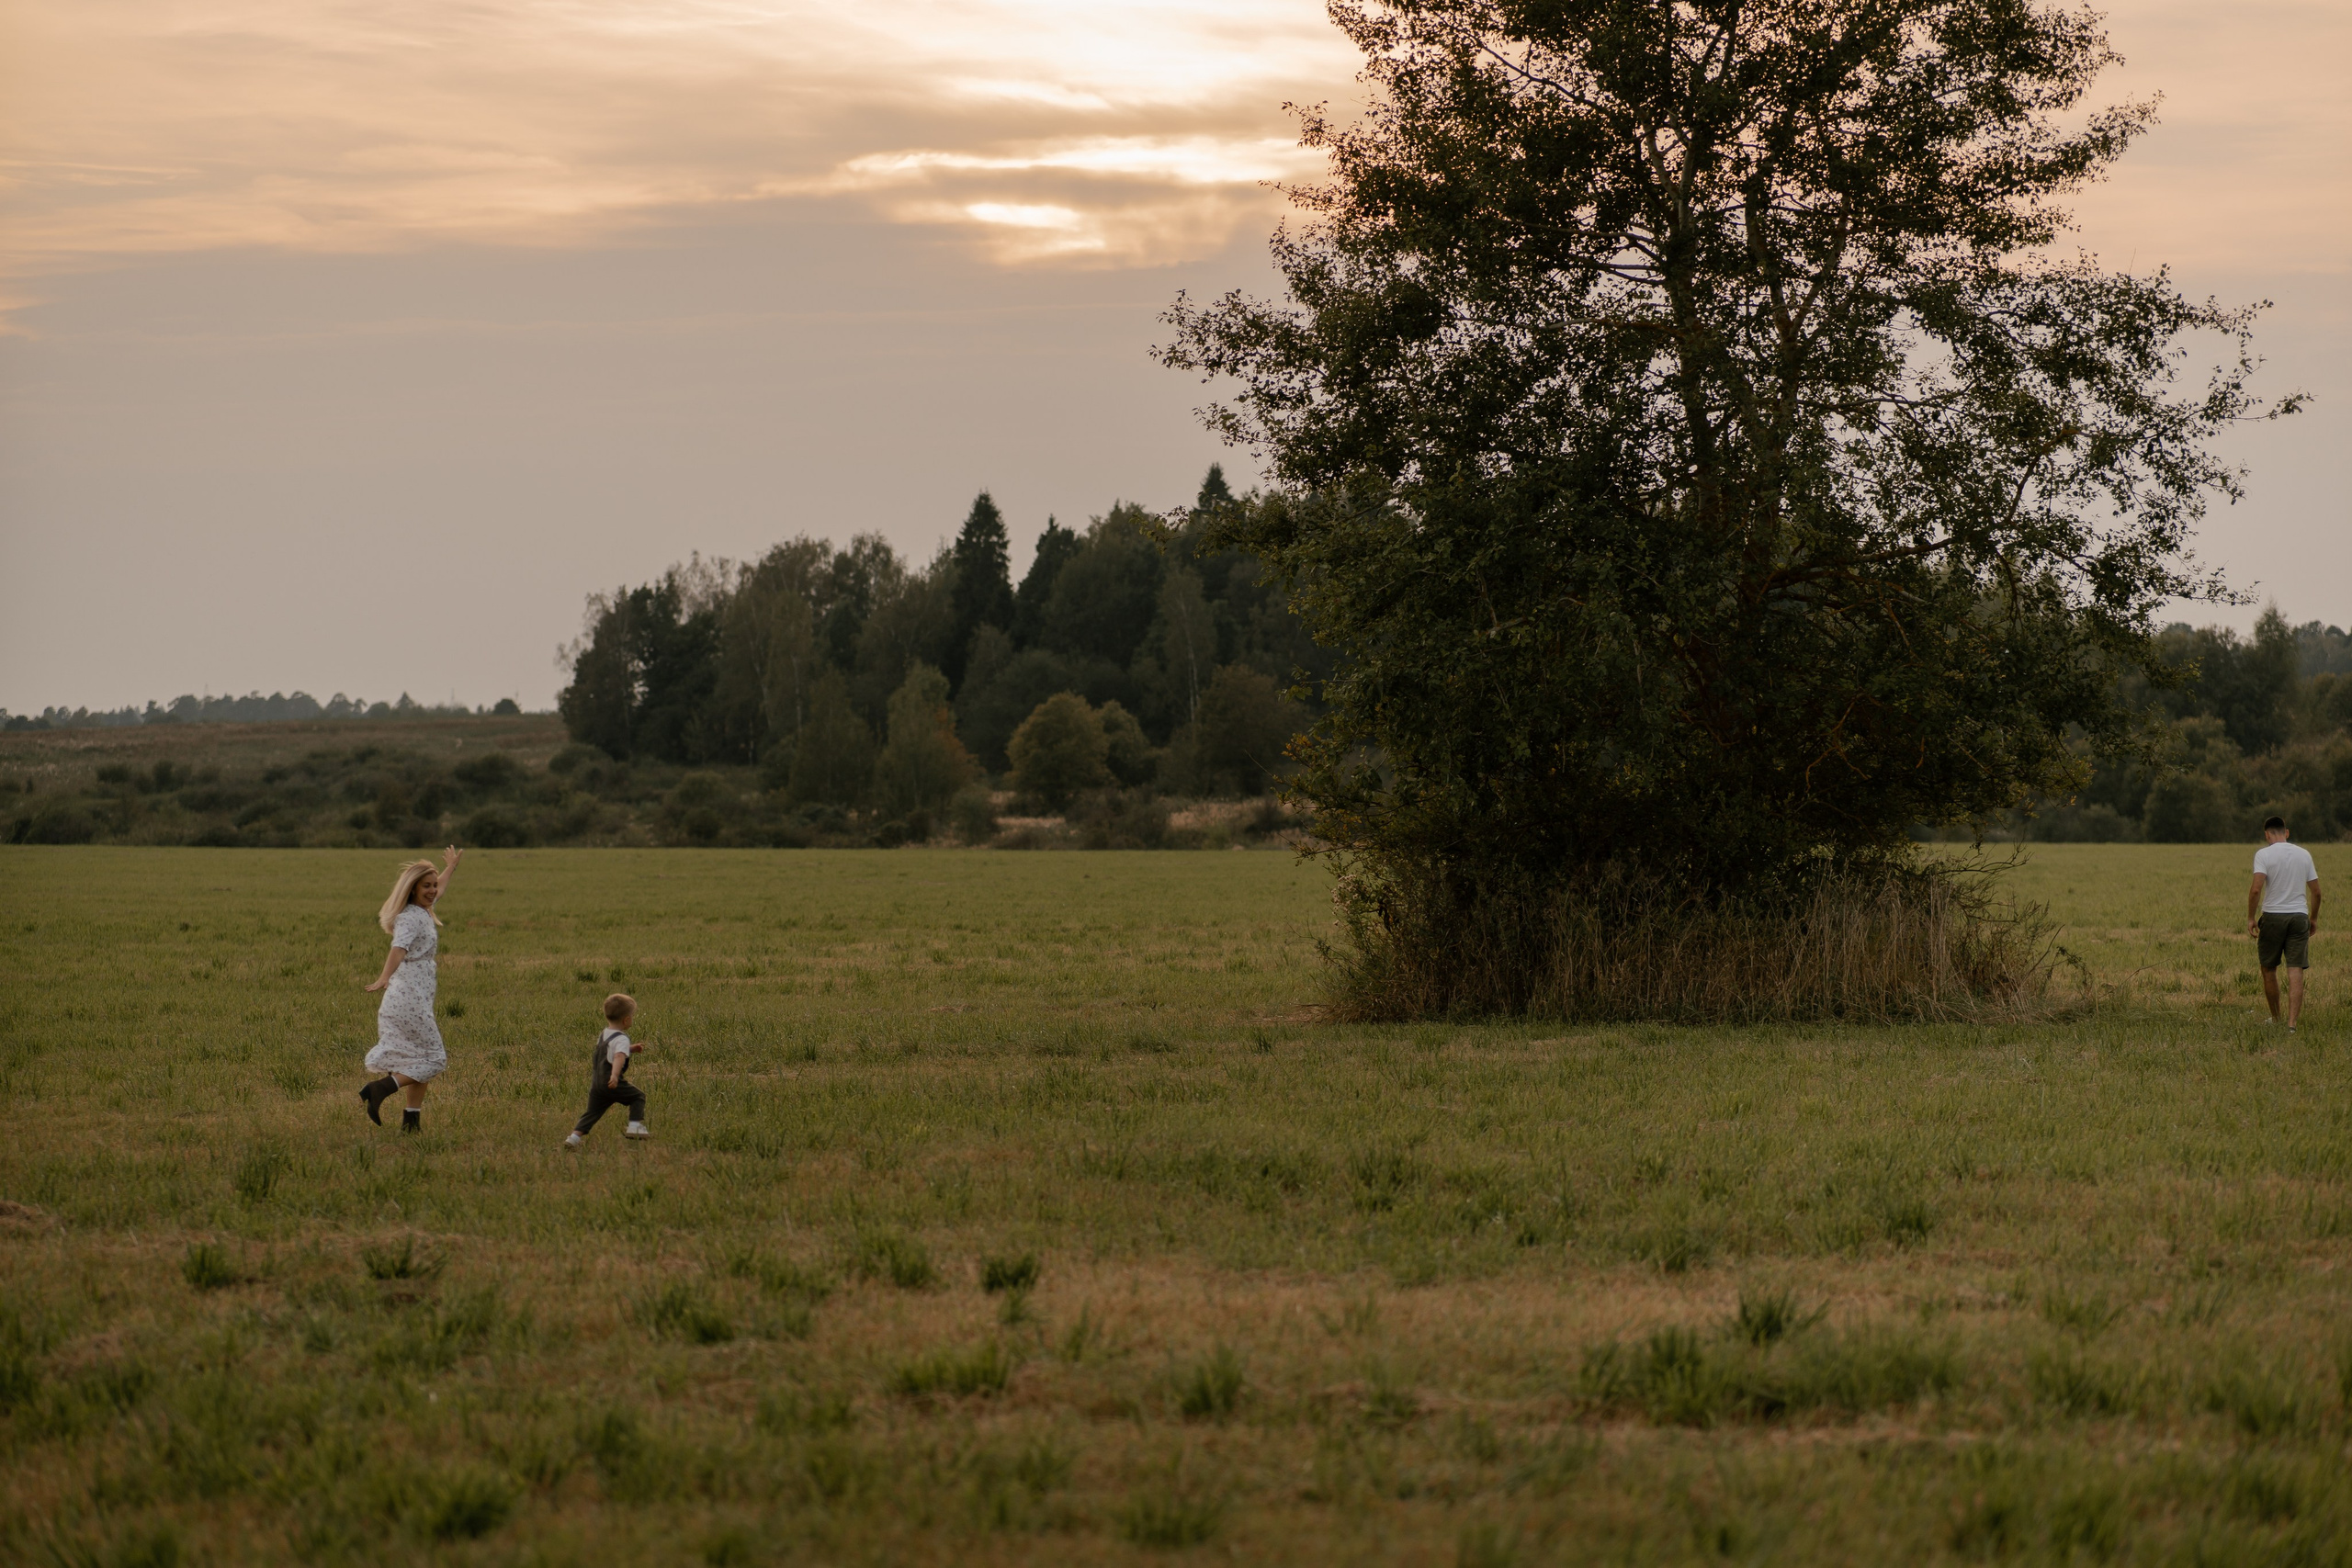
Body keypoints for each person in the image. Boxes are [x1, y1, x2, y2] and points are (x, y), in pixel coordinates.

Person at [358, 847, 462, 1130]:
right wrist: (383, 977)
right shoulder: (410, 917)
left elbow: (439, 890)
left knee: (419, 1059)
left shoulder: (423, 910)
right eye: (426, 886)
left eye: (433, 885)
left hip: (414, 996)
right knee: (435, 1059)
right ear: (413, 889)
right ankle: (381, 1088)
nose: (433, 890)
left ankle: (411, 1122)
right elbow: (398, 948)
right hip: (408, 997)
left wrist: (451, 867)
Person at [2247, 816, 2320, 1031]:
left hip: (2273, 917)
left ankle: (2277, 1018)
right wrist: (2313, 919)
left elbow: (2255, 889)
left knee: (2269, 968)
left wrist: (2251, 917)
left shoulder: (2263, 854)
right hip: (2299, 917)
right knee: (2295, 969)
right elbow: (2316, 892)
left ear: (2267, 835)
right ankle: (2292, 1025)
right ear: (2286, 833)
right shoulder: (2304, 854)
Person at [564, 992, 650, 1147]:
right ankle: (634, 1126)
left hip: (597, 1084)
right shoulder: (622, 1038)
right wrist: (615, 1076)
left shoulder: (604, 1034)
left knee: (592, 1113)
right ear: (627, 1020)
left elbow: (611, 1051)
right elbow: (618, 1056)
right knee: (638, 1097)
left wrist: (631, 1049)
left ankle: (573, 1138)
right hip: (612, 1082)